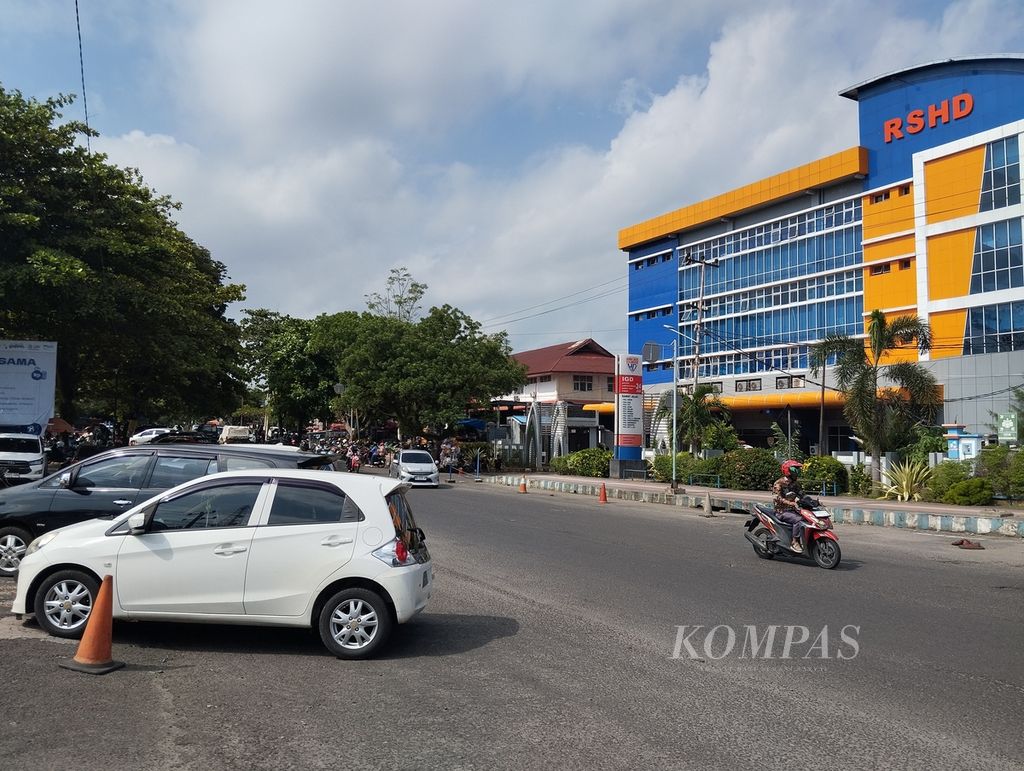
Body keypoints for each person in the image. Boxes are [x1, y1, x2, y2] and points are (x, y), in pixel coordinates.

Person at [772, 459, 805, 553]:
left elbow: (802, 495)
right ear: (788, 471)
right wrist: (790, 503)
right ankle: (795, 542)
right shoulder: (779, 483)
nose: (797, 472)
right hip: (782, 511)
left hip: (794, 510)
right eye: (795, 470)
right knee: (799, 520)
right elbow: (777, 498)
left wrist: (813, 502)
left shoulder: (795, 483)